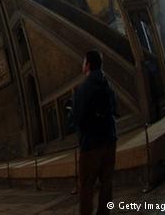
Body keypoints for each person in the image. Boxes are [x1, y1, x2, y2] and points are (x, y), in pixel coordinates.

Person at [70, 50, 117, 215]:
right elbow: (114, 109)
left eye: (84, 62)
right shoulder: (107, 84)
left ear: (88, 64)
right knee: (107, 184)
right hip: (110, 140)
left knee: (86, 187)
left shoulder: (83, 89)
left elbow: (76, 119)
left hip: (90, 146)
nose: (82, 64)